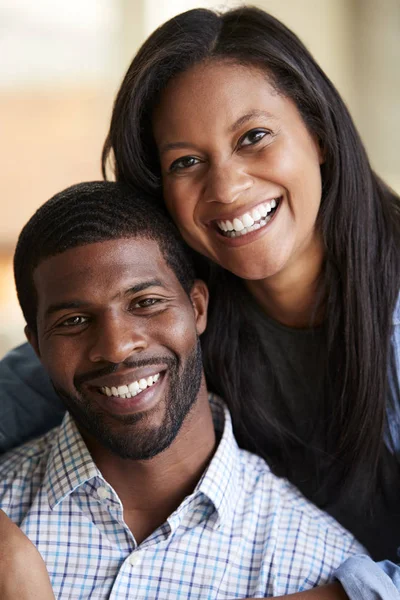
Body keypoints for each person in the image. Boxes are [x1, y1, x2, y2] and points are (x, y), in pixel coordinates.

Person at [1, 5, 400, 598]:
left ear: (317, 132)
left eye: (253, 137)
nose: (227, 187)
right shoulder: (170, 318)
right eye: (185, 161)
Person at [0, 181, 363, 600]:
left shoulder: (315, 567)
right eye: (74, 322)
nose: (116, 346)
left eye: (145, 302)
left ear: (197, 308)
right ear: (36, 347)